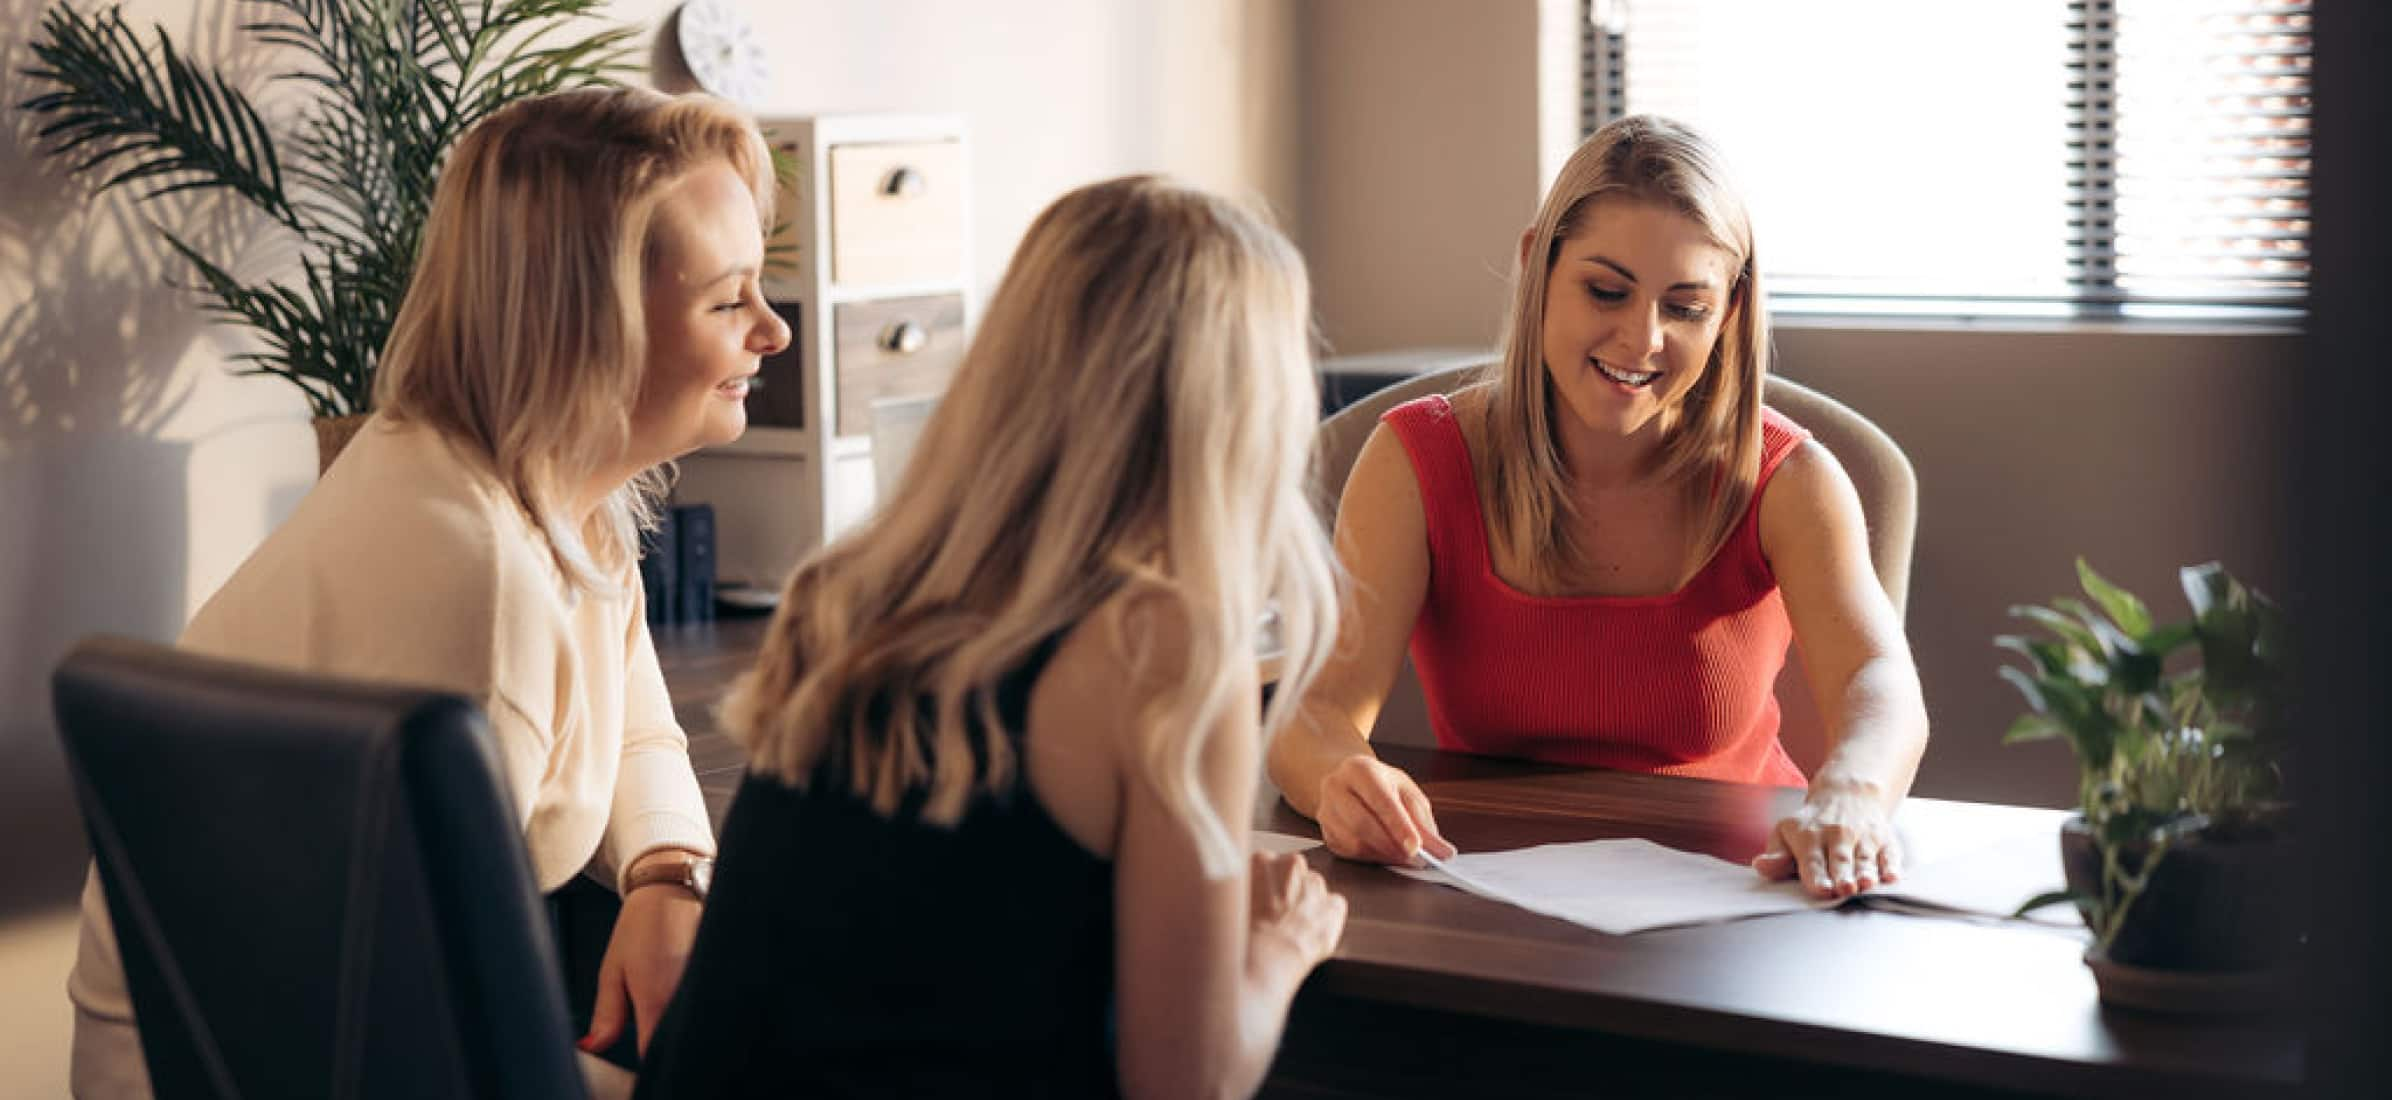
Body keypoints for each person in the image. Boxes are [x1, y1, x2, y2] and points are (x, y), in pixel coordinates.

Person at [66, 86, 791, 1095]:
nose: (772, 332)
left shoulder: (523, 480)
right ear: (588, 326)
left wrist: (667, 871)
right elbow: (412, 1016)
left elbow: (634, 730)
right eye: (728, 299)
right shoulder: (477, 585)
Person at [633, 175, 1348, 1099]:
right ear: (1242, 411)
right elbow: (1190, 1081)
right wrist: (1278, 952)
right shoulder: (1161, 653)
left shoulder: (848, 595)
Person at [1266, 115, 1930, 900]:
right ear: (1535, 266)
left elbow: (1878, 678)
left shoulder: (1790, 480)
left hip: (1742, 894)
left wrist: (1853, 785)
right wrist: (1342, 777)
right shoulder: (1417, 462)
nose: (1641, 338)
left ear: (1730, 312)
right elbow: (1318, 707)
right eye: (1606, 291)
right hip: (1487, 884)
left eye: (1685, 307)